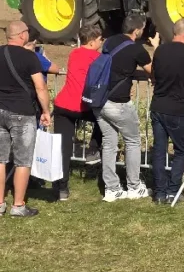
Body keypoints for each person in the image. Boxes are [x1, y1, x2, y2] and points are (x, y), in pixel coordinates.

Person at [96, 14, 152, 202]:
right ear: (137, 30)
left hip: (100, 101)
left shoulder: (109, 42)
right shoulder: (137, 49)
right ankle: (134, 186)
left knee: (109, 143)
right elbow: (154, 70)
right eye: (142, 29)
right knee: (133, 142)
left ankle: (111, 188)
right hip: (119, 103)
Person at [150, 18, 184, 204]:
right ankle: (173, 191)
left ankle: (159, 193)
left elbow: (154, 76)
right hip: (178, 109)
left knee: (159, 151)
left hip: (157, 106)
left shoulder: (159, 51)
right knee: (181, 151)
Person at [0, 20, 51, 217]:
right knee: (23, 161)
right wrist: (45, 111)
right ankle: (18, 205)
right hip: (22, 112)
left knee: (1, 159)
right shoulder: (29, 57)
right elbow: (40, 86)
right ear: (22, 35)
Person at [52, 24, 105, 201]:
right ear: (92, 41)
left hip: (64, 105)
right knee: (106, 119)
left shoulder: (73, 54)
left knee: (63, 148)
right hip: (83, 106)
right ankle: (93, 148)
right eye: (100, 39)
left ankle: (62, 188)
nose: (101, 42)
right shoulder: (98, 58)